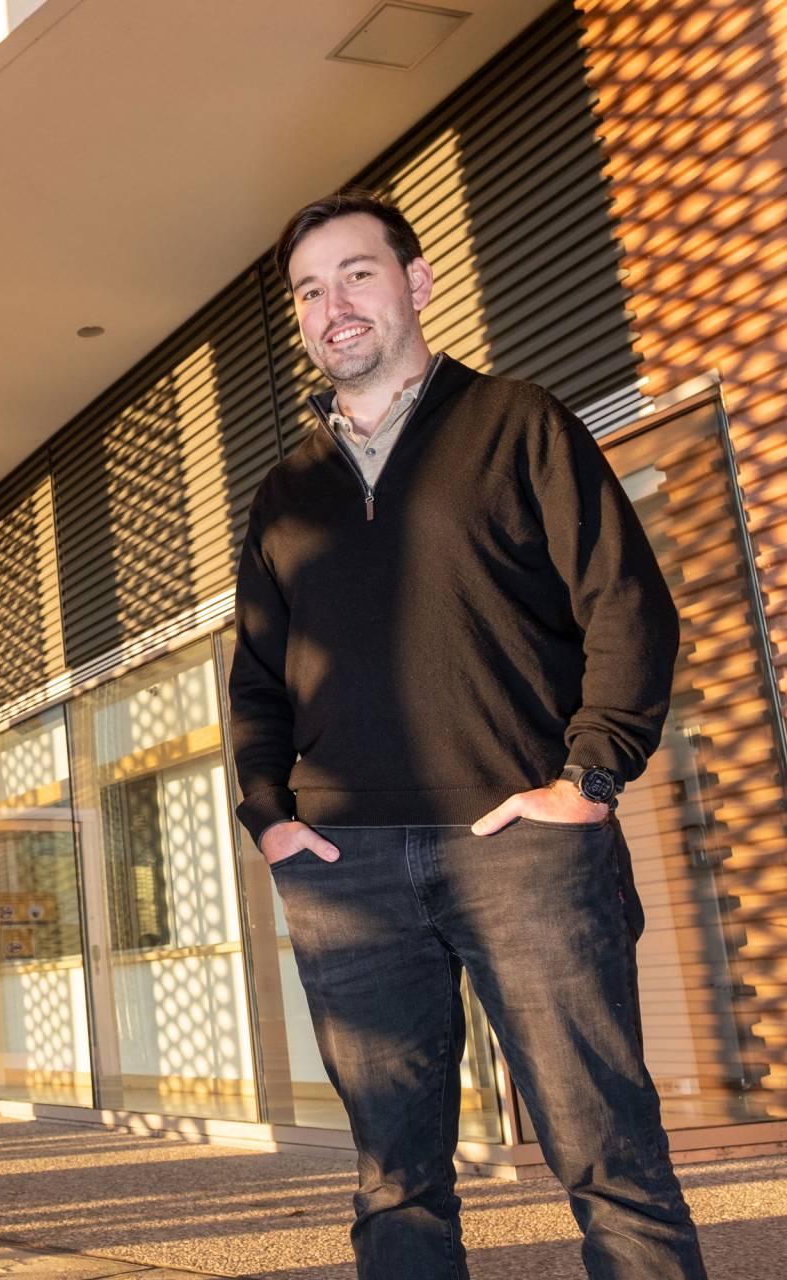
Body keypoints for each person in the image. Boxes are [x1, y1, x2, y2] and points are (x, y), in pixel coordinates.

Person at [229, 189, 706, 1278]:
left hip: (523, 848)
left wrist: (588, 776)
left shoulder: (518, 424)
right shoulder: (286, 489)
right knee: (395, 1185)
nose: (333, 305)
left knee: (609, 1161)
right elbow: (257, 677)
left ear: (416, 283)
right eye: (310, 289)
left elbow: (627, 604)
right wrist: (272, 819)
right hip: (345, 871)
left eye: (356, 273)